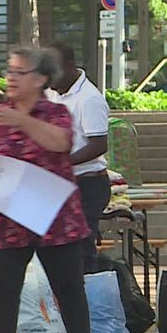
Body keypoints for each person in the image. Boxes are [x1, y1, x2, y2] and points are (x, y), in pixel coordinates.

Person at [0, 46, 121, 333]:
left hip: (53, 215)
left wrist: (22, 119)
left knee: (69, 284)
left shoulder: (55, 112)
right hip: (6, 216)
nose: (12, 78)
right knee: (3, 286)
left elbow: (60, 143)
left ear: (41, 78)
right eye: (10, 71)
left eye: (20, 72)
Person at [46, 41, 111, 274]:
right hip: (60, 183)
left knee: (81, 253)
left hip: (87, 184)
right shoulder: (52, 94)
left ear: (70, 66)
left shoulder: (89, 98)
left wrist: (62, 163)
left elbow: (98, 144)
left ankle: (88, 305)